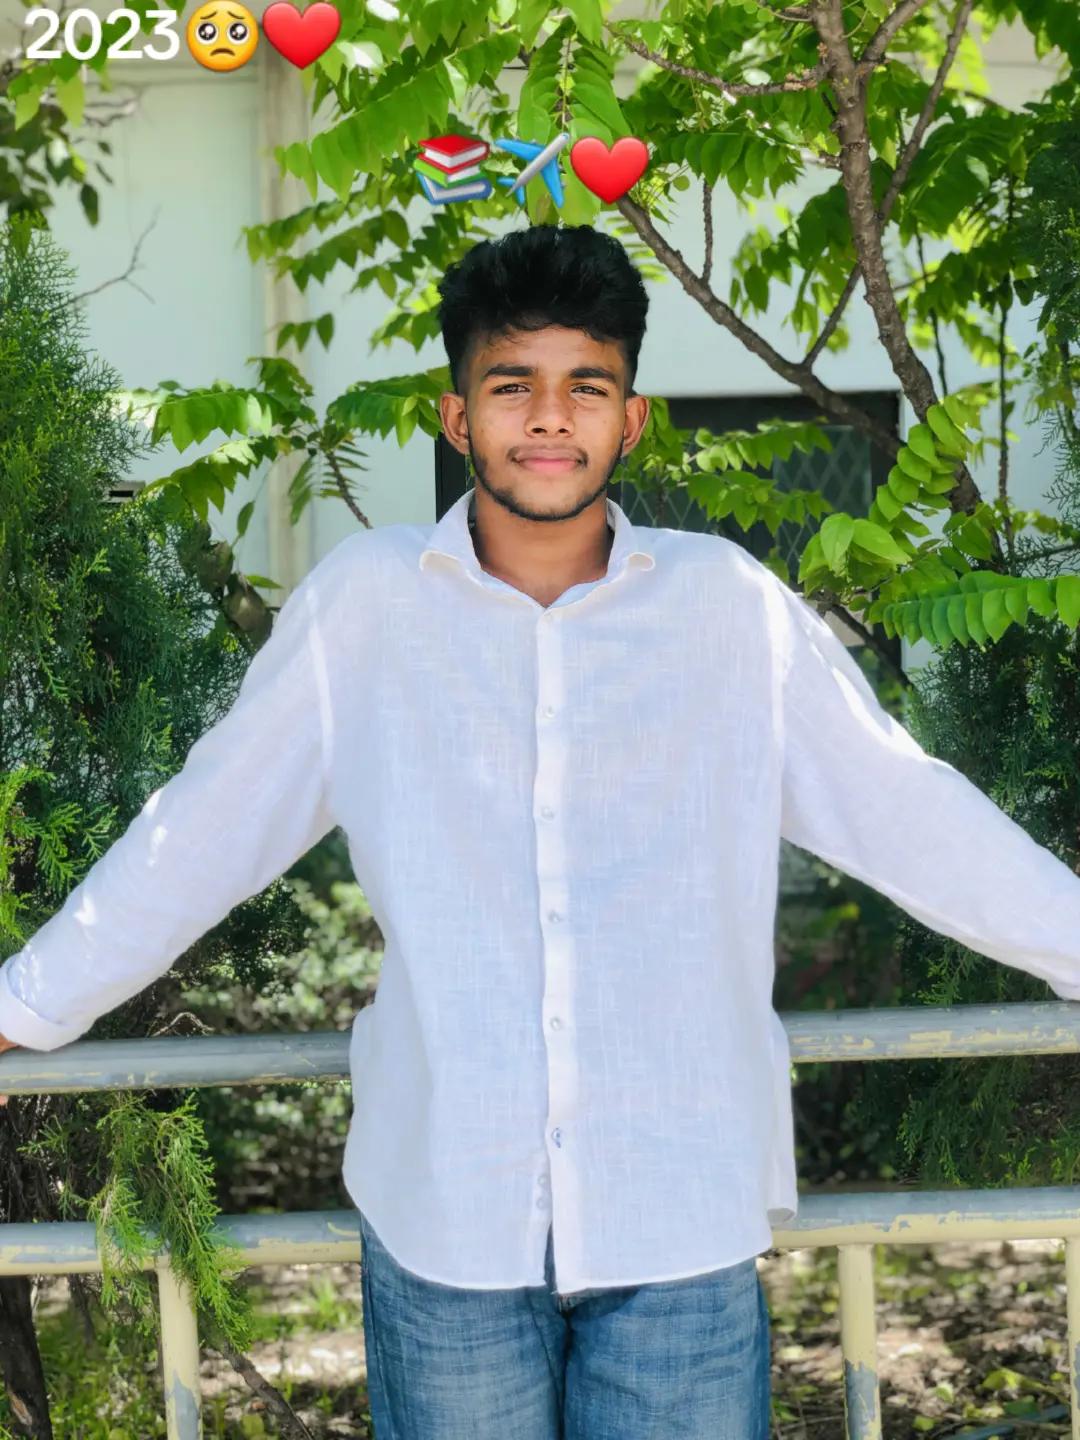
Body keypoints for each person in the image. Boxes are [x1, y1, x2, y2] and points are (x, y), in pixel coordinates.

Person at [3, 223, 1080, 1439]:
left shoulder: (730, 610)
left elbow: (907, 807)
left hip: (679, 1211)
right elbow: (201, 832)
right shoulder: (364, 608)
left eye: (588, 387)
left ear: (633, 419)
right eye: (512, 386)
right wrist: (24, 1007)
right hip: (448, 1217)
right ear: (458, 417)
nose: (551, 418)